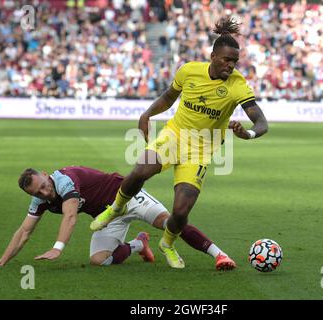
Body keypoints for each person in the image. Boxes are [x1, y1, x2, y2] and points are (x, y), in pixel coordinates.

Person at [90, 17, 268, 268]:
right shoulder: (189, 71)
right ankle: (116, 208)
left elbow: (261, 122)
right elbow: (168, 97)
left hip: (201, 150)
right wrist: (146, 114)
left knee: (181, 212)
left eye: (235, 61)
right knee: (140, 170)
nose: (231, 65)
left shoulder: (238, 85)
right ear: (213, 56)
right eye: (227, 59)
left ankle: (167, 243)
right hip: (174, 136)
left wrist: (247, 133)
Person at [0, 166, 236, 270]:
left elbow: (70, 216)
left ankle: (219, 255)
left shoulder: (64, 180)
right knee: (98, 260)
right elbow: (24, 231)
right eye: (37, 192)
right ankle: (139, 244)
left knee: (171, 224)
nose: (44, 192)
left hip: (126, 197)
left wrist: (57, 248)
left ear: (45, 175)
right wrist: (2, 261)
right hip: (107, 217)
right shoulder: (39, 200)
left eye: (43, 185)